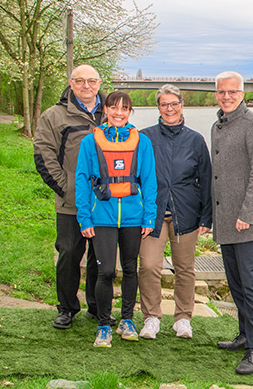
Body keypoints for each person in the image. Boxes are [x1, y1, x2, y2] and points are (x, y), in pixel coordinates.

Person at [74, 91, 157, 347]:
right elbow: (81, 180)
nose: (119, 113)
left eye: (124, 108)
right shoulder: (90, 142)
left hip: (133, 217)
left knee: (131, 269)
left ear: (130, 112)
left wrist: (149, 216)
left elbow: (150, 181)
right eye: (114, 108)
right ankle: (103, 324)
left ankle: (128, 320)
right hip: (102, 217)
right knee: (105, 271)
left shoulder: (142, 142)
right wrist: (84, 217)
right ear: (106, 110)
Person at [34, 64, 106, 329]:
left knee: (101, 257)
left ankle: (97, 307)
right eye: (80, 81)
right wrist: (67, 189)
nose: (86, 86)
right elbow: (44, 155)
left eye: (91, 81)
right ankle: (66, 308)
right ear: (71, 83)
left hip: (104, 203)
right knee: (68, 255)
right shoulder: (54, 116)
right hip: (71, 203)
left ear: (99, 83)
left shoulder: (111, 113)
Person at [138, 84, 213, 340]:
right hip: (153, 214)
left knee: (185, 268)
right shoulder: (144, 137)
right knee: (148, 266)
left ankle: (182, 318)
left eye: (174, 104)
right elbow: (135, 176)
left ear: (182, 105)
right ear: (158, 107)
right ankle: (151, 317)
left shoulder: (195, 140)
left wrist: (206, 217)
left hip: (186, 214)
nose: (169, 109)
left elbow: (205, 180)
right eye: (164, 104)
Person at [212, 71, 253, 375]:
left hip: (247, 223)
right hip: (226, 222)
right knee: (236, 284)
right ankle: (245, 334)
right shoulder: (218, 126)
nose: (226, 96)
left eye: (232, 92)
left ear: (242, 93)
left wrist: (247, 215)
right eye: (221, 92)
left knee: (252, 285)